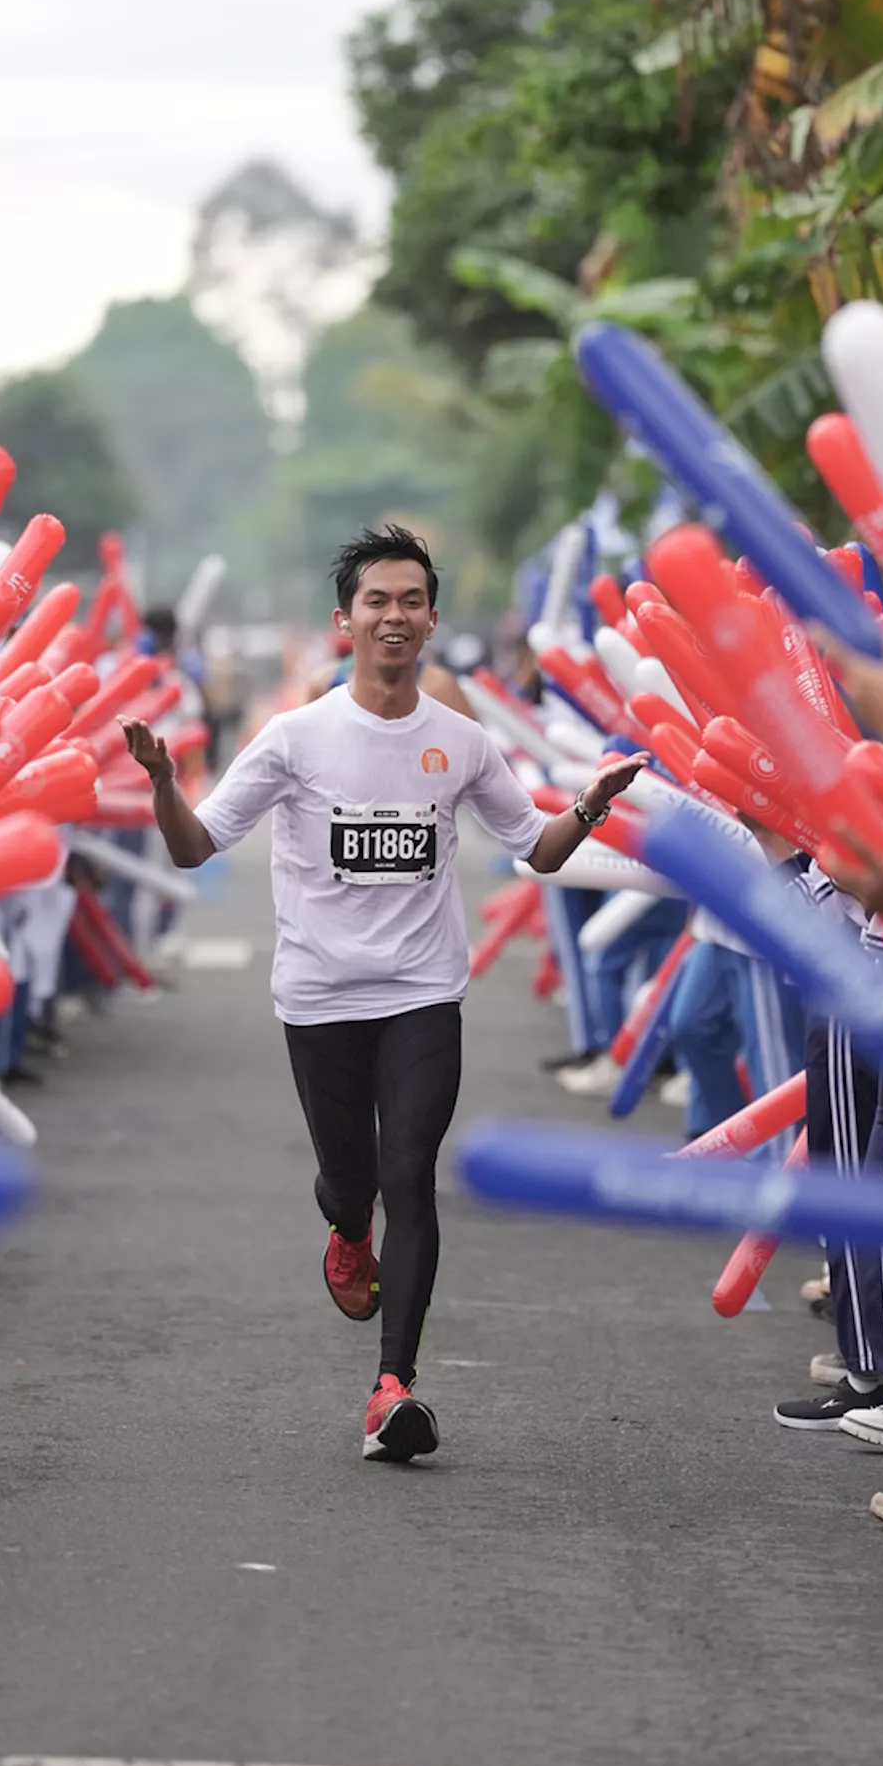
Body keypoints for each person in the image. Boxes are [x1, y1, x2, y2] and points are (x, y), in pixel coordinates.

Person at [121, 523, 648, 1462]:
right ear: (344, 621)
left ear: (432, 619)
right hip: (319, 996)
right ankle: (344, 1226)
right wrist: (164, 783)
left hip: (422, 992)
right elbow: (196, 845)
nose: (394, 616)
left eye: (410, 601)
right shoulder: (295, 738)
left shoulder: (463, 743)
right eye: (377, 601)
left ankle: (392, 1386)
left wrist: (589, 806)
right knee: (351, 1181)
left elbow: (534, 849)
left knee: (410, 1172)